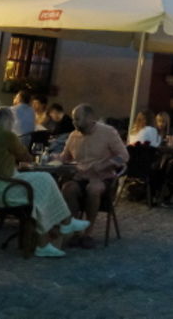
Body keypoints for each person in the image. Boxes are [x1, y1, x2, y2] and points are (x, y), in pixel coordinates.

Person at [0, 107, 88, 258]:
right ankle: (62, 226)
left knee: (42, 183)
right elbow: (26, 157)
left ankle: (50, 237)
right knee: (43, 182)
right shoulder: (6, 136)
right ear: (8, 122)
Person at [59, 104, 128, 249]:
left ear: (90, 118)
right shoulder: (73, 136)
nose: (74, 123)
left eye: (77, 119)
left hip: (103, 177)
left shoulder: (107, 132)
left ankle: (88, 233)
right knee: (67, 188)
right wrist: (53, 159)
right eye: (73, 120)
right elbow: (65, 158)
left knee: (93, 189)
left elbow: (124, 157)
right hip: (81, 176)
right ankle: (75, 230)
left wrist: (106, 164)